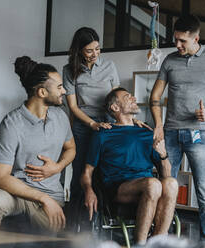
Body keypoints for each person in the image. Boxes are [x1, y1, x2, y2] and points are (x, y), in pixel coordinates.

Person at [150, 15, 205, 244]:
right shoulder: (169, 60)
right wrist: (158, 126)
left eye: (183, 41)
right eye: (176, 39)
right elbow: (155, 96)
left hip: (198, 134)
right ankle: (160, 237)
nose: (177, 45)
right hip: (171, 133)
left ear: (196, 38)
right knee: (165, 188)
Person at [0, 56, 76, 233]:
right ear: (42, 92)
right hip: (16, 193)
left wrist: (57, 167)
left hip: (51, 195)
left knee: (54, 239)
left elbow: (71, 148)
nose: (64, 91)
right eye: (59, 87)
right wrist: (42, 198)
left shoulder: (61, 116)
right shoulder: (12, 123)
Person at [63, 28, 148, 218]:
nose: (95, 54)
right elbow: (73, 107)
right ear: (78, 50)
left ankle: (104, 215)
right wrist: (92, 125)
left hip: (109, 125)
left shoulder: (109, 66)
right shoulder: (69, 70)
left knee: (105, 172)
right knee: (81, 173)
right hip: (84, 127)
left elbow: (118, 98)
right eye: (89, 50)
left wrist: (131, 120)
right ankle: (76, 217)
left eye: (98, 49)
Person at [81, 88, 178, 246]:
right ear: (115, 107)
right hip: (118, 187)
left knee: (171, 183)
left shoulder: (147, 132)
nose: (133, 97)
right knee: (153, 184)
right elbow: (87, 171)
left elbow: (166, 174)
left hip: (148, 186)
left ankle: (157, 242)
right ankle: (140, 244)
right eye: (127, 97)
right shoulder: (103, 133)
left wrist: (163, 154)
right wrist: (88, 190)